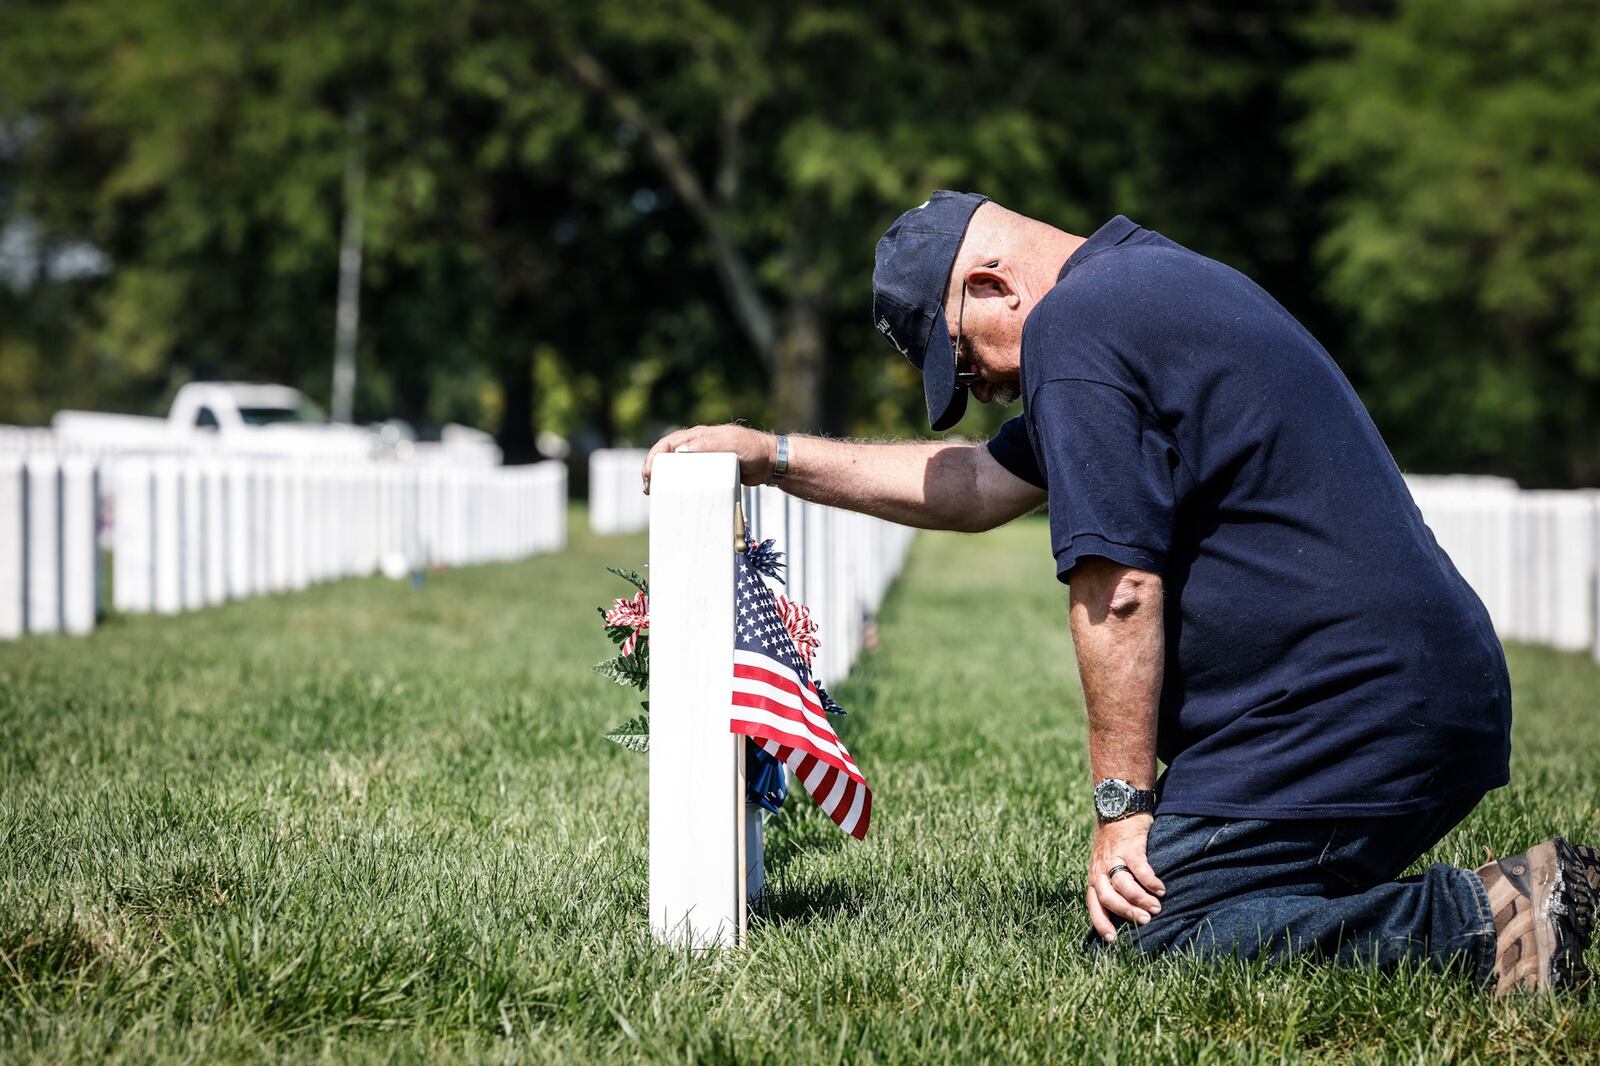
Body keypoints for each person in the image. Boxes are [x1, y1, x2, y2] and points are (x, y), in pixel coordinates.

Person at [641, 191, 1600, 994]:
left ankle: (1505, 920)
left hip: (1354, 706)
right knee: (1179, 913)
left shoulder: (1080, 325)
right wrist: (770, 455)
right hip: (1376, 694)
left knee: (1157, 932)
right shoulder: (1137, 285)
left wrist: (1121, 812)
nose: (976, 388)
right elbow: (978, 484)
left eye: (963, 359)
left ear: (989, 285)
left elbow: (1122, 589)